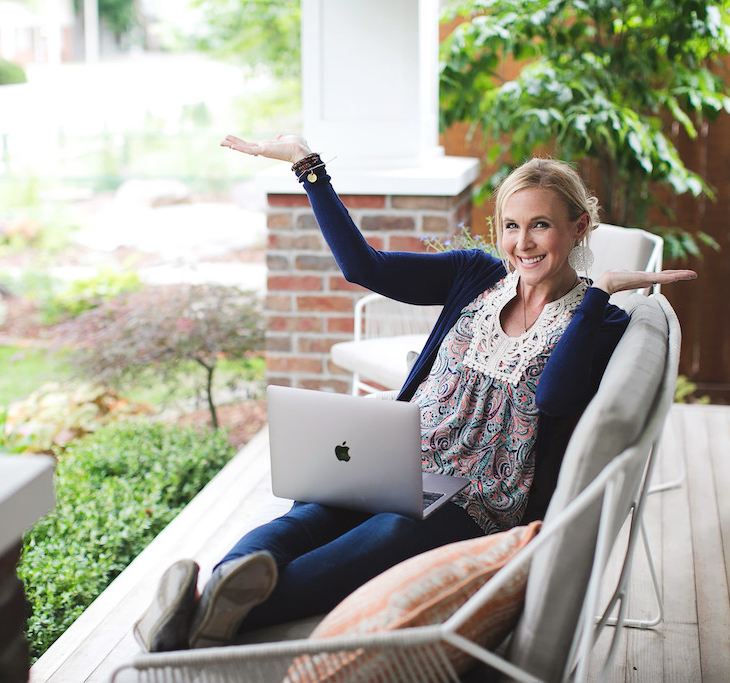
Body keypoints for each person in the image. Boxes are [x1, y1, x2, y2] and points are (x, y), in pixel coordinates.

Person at [133, 134, 697, 652]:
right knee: (305, 517)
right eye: (510, 225)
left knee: (394, 531)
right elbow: (363, 267)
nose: (522, 243)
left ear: (579, 228)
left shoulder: (597, 324)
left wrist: (598, 294)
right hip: (399, 460)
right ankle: (210, 604)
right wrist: (309, 167)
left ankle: (194, 618)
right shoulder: (475, 275)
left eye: (540, 226)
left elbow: (554, 396)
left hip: (479, 500)